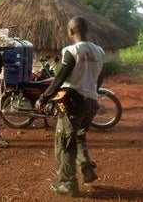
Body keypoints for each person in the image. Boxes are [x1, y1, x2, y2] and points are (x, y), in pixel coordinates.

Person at [35, 16, 105, 197]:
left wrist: (43, 98)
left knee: (64, 144)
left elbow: (59, 78)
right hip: (91, 103)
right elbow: (100, 78)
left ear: (71, 31)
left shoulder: (71, 51)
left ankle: (67, 183)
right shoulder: (99, 52)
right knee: (79, 137)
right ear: (86, 30)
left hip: (72, 105)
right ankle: (87, 169)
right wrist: (91, 93)